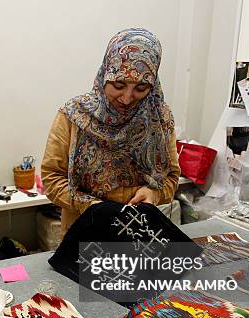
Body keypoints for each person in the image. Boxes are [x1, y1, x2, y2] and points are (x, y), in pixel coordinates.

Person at [41, 28, 180, 235]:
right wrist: (91, 206)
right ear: (106, 73)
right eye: (118, 85)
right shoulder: (75, 115)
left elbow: (171, 176)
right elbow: (51, 177)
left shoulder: (159, 118)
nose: (127, 97)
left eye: (141, 88)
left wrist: (153, 193)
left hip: (139, 235)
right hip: (84, 232)